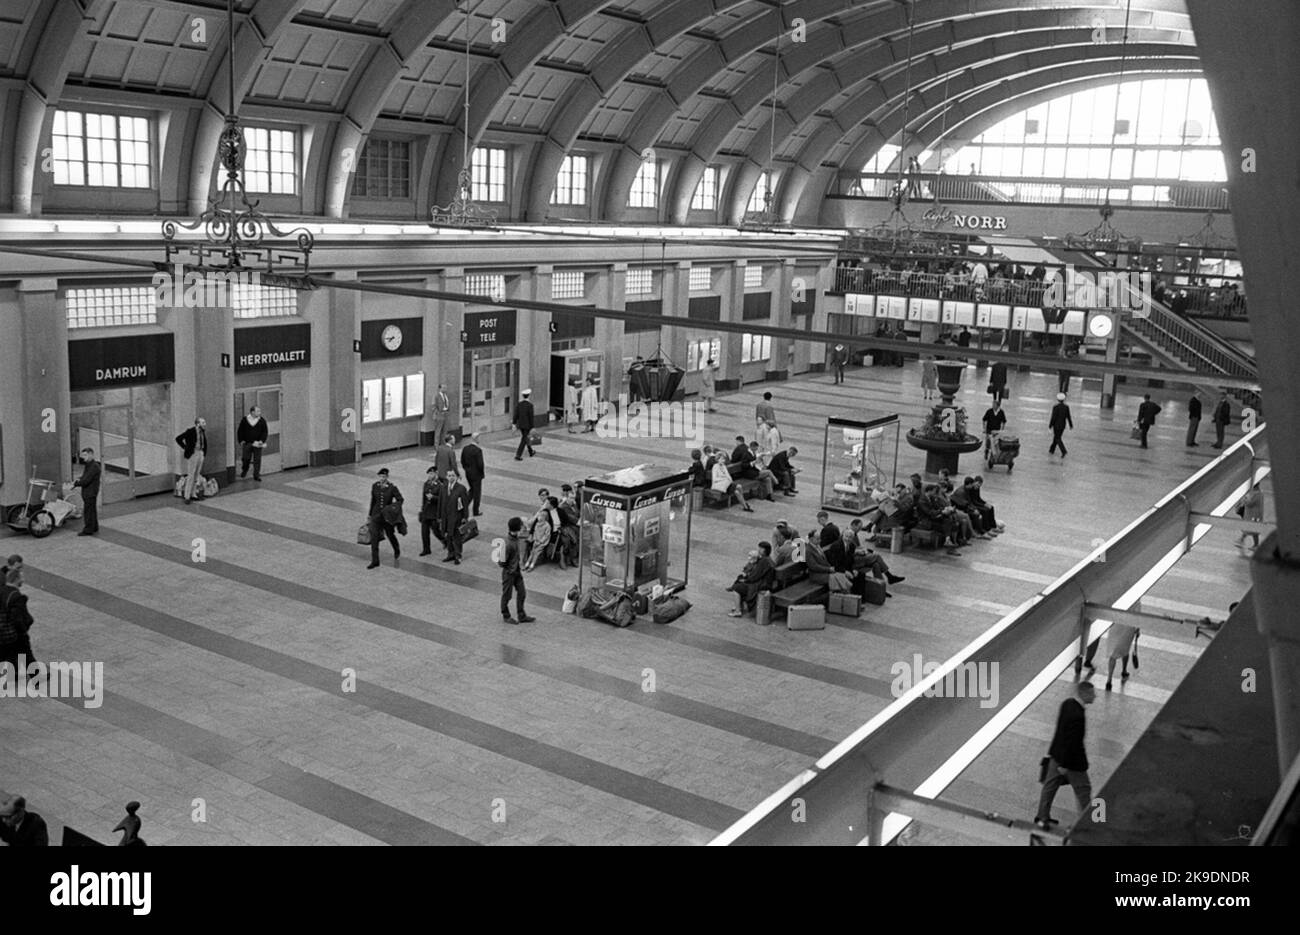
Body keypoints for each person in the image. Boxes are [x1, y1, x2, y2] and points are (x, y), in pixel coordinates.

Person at [1034, 681, 1097, 831]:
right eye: (1092, 693)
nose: (1095, 696)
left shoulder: (1067, 703)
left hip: (1056, 754)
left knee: (1050, 787)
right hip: (1072, 762)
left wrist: (1057, 757)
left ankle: (1042, 817)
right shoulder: (1078, 715)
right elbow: (1073, 742)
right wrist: (1065, 765)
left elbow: (1060, 732)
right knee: (1084, 790)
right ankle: (1087, 824)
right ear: (1084, 694)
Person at [1, 565, 35, 677]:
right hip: (12, 633)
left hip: (2, 631)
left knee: (12, 653)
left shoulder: (2, 590)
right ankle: (36, 676)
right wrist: (24, 628)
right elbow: (18, 618)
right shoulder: (16, 596)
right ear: (16, 579)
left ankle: (15, 673)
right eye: (21, 578)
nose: (23, 580)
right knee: (24, 651)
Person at [499, 516, 535, 624]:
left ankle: (521, 614)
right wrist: (510, 567)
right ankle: (506, 615)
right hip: (509, 573)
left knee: (522, 593)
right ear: (517, 529)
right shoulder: (507, 544)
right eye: (521, 526)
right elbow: (501, 562)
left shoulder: (515, 539)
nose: (523, 528)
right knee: (507, 595)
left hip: (516, 571)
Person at [365, 468, 403, 569]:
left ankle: (396, 548)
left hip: (387, 517)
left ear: (387, 477)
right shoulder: (375, 486)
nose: (382, 478)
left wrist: (392, 508)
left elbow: (400, 499)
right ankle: (375, 561)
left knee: (390, 534)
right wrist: (369, 515)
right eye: (380, 476)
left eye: (384, 476)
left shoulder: (392, 487)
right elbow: (373, 501)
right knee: (374, 537)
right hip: (376, 515)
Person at [726, 542, 776, 617]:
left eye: (760, 548)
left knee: (737, 587)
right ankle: (738, 605)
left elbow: (754, 576)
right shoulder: (768, 560)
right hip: (764, 583)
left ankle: (737, 610)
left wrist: (746, 579)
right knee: (740, 580)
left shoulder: (764, 561)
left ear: (763, 550)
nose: (758, 550)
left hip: (760, 585)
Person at [438, 470, 469, 565]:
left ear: (456, 477)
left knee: (456, 537)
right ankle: (450, 554)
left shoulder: (461, 489)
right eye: (449, 475)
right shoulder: (443, 488)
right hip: (446, 517)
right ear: (446, 477)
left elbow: (465, 504)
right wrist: (439, 516)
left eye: (453, 475)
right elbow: (440, 502)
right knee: (448, 536)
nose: (451, 477)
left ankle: (458, 555)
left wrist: (465, 516)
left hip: (456, 517)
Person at [175, 417, 207, 504]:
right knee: (191, 475)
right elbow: (178, 438)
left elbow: (204, 442)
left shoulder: (202, 432)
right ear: (198, 424)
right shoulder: (191, 431)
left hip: (200, 452)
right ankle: (187, 495)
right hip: (193, 454)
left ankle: (193, 494)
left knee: (197, 474)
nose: (205, 424)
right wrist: (185, 448)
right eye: (203, 422)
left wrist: (204, 453)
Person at [72, 446, 101, 535]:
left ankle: (88, 529)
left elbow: (86, 480)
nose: (83, 458)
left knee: (88, 511)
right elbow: (85, 477)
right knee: (92, 510)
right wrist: (79, 479)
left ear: (91, 454)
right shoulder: (90, 465)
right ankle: (94, 526)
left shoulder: (93, 467)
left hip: (90, 492)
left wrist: (75, 484)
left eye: (85, 455)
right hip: (90, 491)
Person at [417, 466, 444, 557]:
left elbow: (442, 499)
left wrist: (433, 498)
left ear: (436, 474)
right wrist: (422, 510)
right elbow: (423, 498)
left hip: (434, 512)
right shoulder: (426, 484)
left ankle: (445, 541)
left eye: (432, 474)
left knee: (436, 531)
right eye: (429, 474)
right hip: (426, 511)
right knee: (424, 532)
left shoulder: (440, 485)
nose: (430, 475)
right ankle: (426, 549)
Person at [237, 406, 268, 480]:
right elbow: (240, 430)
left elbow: (265, 431)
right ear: (252, 412)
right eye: (257, 411)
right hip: (247, 443)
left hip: (257, 443)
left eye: (259, 411)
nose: (259, 413)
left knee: (257, 459)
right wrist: (241, 440)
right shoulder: (245, 420)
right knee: (246, 458)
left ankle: (256, 475)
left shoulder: (261, 420)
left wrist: (262, 440)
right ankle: (245, 469)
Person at [1104, 624, 1138, 692]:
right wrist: (1138, 628)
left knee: (1113, 654)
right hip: (1129, 626)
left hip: (1115, 625)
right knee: (1126, 649)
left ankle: (1109, 680)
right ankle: (1124, 670)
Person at [458, 433, 484, 517]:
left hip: (468, 473)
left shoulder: (465, 449)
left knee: (472, 490)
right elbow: (480, 464)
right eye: (479, 438)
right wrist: (481, 472)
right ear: (476, 439)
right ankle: (475, 511)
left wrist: (466, 468)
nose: (480, 439)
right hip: (476, 475)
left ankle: (464, 505)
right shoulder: (478, 450)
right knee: (477, 493)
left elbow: (462, 460)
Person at [1237, 483, 1264, 552]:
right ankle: (1241, 540)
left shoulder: (1256, 494)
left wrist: (1244, 499)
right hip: (1253, 515)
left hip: (1254, 516)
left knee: (1252, 530)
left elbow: (1249, 503)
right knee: (1249, 528)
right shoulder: (1259, 493)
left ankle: (1255, 545)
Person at [513, 389, 536, 461]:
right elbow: (531, 417)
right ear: (529, 395)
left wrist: (514, 423)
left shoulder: (519, 404)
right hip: (527, 425)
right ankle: (518, 455)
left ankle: (531, 451)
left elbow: (516, 414)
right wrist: (532, 426)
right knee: (524, 439)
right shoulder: (530, 405)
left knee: (525, 437)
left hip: (521, 425)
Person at [1049, 392, 1072, 457]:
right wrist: (1070, 424)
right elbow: (1068, 416)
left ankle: (1063, 451)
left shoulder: (1055, 407)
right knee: (1056, 437)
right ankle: (1052, 449)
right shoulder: (1066, 407)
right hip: (1062, 425)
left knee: (1057, 438)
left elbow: (1053, 417)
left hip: (1056, 425)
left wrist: (1050, 425)